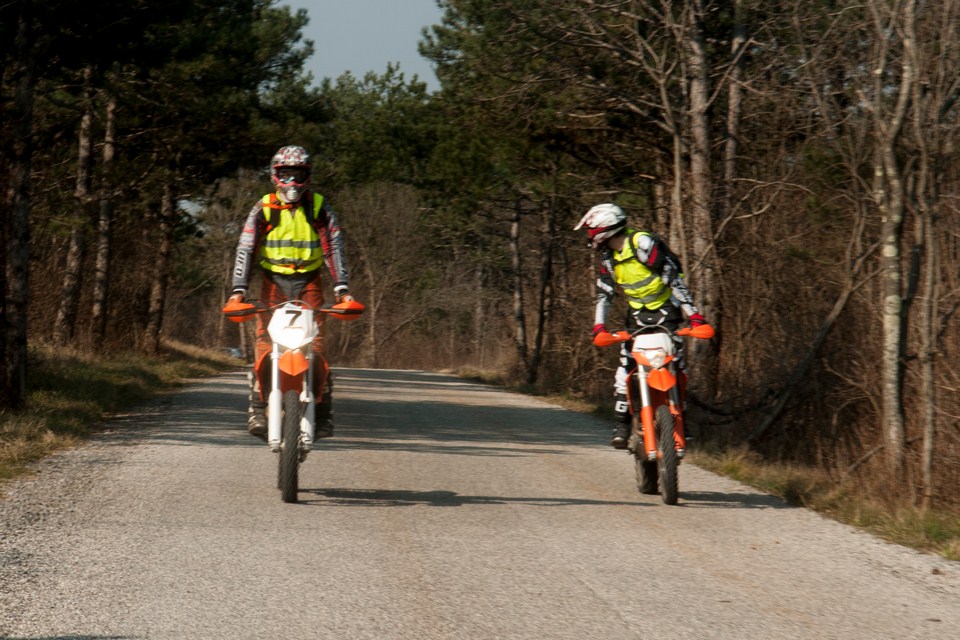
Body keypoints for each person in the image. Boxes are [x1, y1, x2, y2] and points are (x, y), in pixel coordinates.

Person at [228, 145, 355, 440]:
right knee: (265, 342)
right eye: (286, 175)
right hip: (272, 283)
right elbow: (246, 248)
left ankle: (324, 413)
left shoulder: (318, 207)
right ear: (276, 176)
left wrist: (343, 290)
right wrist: (238, 291)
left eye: (298, 174)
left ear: (307, 176)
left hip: (310, 282)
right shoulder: (264, 208)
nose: (292, 182)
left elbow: (334, 247)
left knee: (317, 344)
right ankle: (257, 406)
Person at [574, 203, 707, 449]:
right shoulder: (609, 259)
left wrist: (694, 315)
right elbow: (604, 295)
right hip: (637, 316)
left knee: (678, 366)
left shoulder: (642, 244)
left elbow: (672, 279)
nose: (590, 236)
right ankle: (621, 424)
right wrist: (599, 327)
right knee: (625, 367)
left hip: (667, 312)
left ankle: (682, 419)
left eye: (591, 230)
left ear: (604, 227)